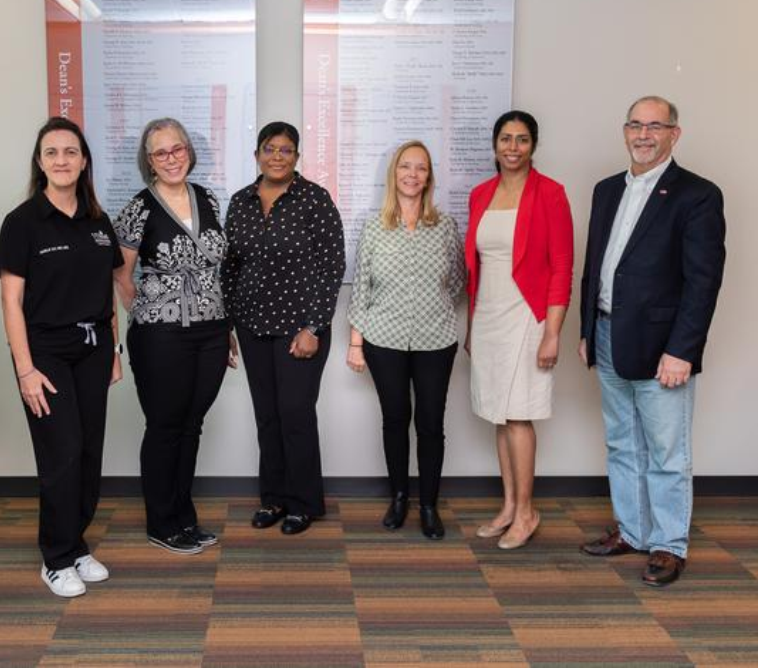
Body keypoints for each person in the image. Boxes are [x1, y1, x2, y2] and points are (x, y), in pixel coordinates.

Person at [578, 96, 725, 587]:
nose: (643, 134)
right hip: (606, 334)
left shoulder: (697, 195)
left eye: (655, 126)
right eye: (636, 125)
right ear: (624, 131)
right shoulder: (605, 190)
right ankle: (634, 530)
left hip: (665, 346)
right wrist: (585, 330)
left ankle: (668, 545)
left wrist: (683, 350)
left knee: (667, 452)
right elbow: (594, 265)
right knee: (622, 443)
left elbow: (703, 282)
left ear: (674, 134)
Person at [0, 116, 123, 598]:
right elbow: (10, 302)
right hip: (44, 352)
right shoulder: (22, 222)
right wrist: (24, 369)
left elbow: (107, 293)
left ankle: (77, 543)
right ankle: (56, 557)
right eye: (52, 153)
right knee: (61, 452)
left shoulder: (97, 220)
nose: (62, 160)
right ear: (40, 162)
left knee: (89, 451)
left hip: (94, 349)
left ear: (84, 160)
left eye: (70, 152)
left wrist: (115, 349)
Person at [113, 118, 232, 555]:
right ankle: (162, 522)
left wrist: (223, 324)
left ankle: (185, 517)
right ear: (149, 161)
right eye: (160, 152)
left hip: (212, 330)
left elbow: (218, 266)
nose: (171, 158)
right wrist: (149, 313)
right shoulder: (138, 208)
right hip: (161, 335)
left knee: (192, 425)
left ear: (188, 150)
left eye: (177, 149)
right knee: (165, 426)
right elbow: (122, 275)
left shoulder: (208, 198)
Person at [222, 121, 345, 536]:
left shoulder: (314, 199)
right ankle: (273, 498)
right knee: (267, 417)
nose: (277, 156)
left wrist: (314, 326)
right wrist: (227, 326)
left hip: (301, 328)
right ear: (257, 153)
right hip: (252, 325)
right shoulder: (240, 202)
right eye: (269, 148)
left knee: (295, 414)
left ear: (297, 156)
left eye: (286, 150)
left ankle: (304, 502)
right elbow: (230, 266)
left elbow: (332, 267)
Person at [464, 110, 573, 550]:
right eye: (506, 139)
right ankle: (509, 505)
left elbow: (562, 267)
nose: (513, 147)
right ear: (495, 145)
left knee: (518, 413)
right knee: (497, 411)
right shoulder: (481, 194)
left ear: (533, 145)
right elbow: (476, 266)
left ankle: (527, 511)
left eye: (522, 140)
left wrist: (552, 332)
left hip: (529, 316)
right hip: (488, 316)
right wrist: (472, 325)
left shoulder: (550, 194)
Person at [347, 140, 465, 539]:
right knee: (395, 419)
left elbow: (458, 281)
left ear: (429, 177)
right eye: (406, 167)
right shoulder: (373, 225)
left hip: (436, 338)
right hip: (384, 338)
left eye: (421, 168)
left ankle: (429, 505)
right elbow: (361, 285)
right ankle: (399, 497)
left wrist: (432, 306)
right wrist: (356, 341)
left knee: (431, 423)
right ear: (393, 173)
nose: (413, 175)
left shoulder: (445, 226)